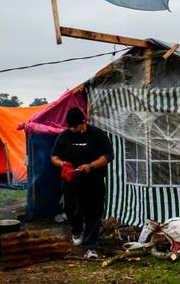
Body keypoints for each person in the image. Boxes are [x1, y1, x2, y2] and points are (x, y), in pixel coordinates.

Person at [51, 107, 114, 259]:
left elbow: (109, 155)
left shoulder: (97, 135)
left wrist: (90, 166)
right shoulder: (64, 136)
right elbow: (54, 156)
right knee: (70, 208)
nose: (72, 129)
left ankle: (90, 246)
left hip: (93, 180)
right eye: (70, 127)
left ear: (83, 122)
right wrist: (63, 164)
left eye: (75, 126)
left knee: (94, 211)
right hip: (71, 180)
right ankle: (76, 229)